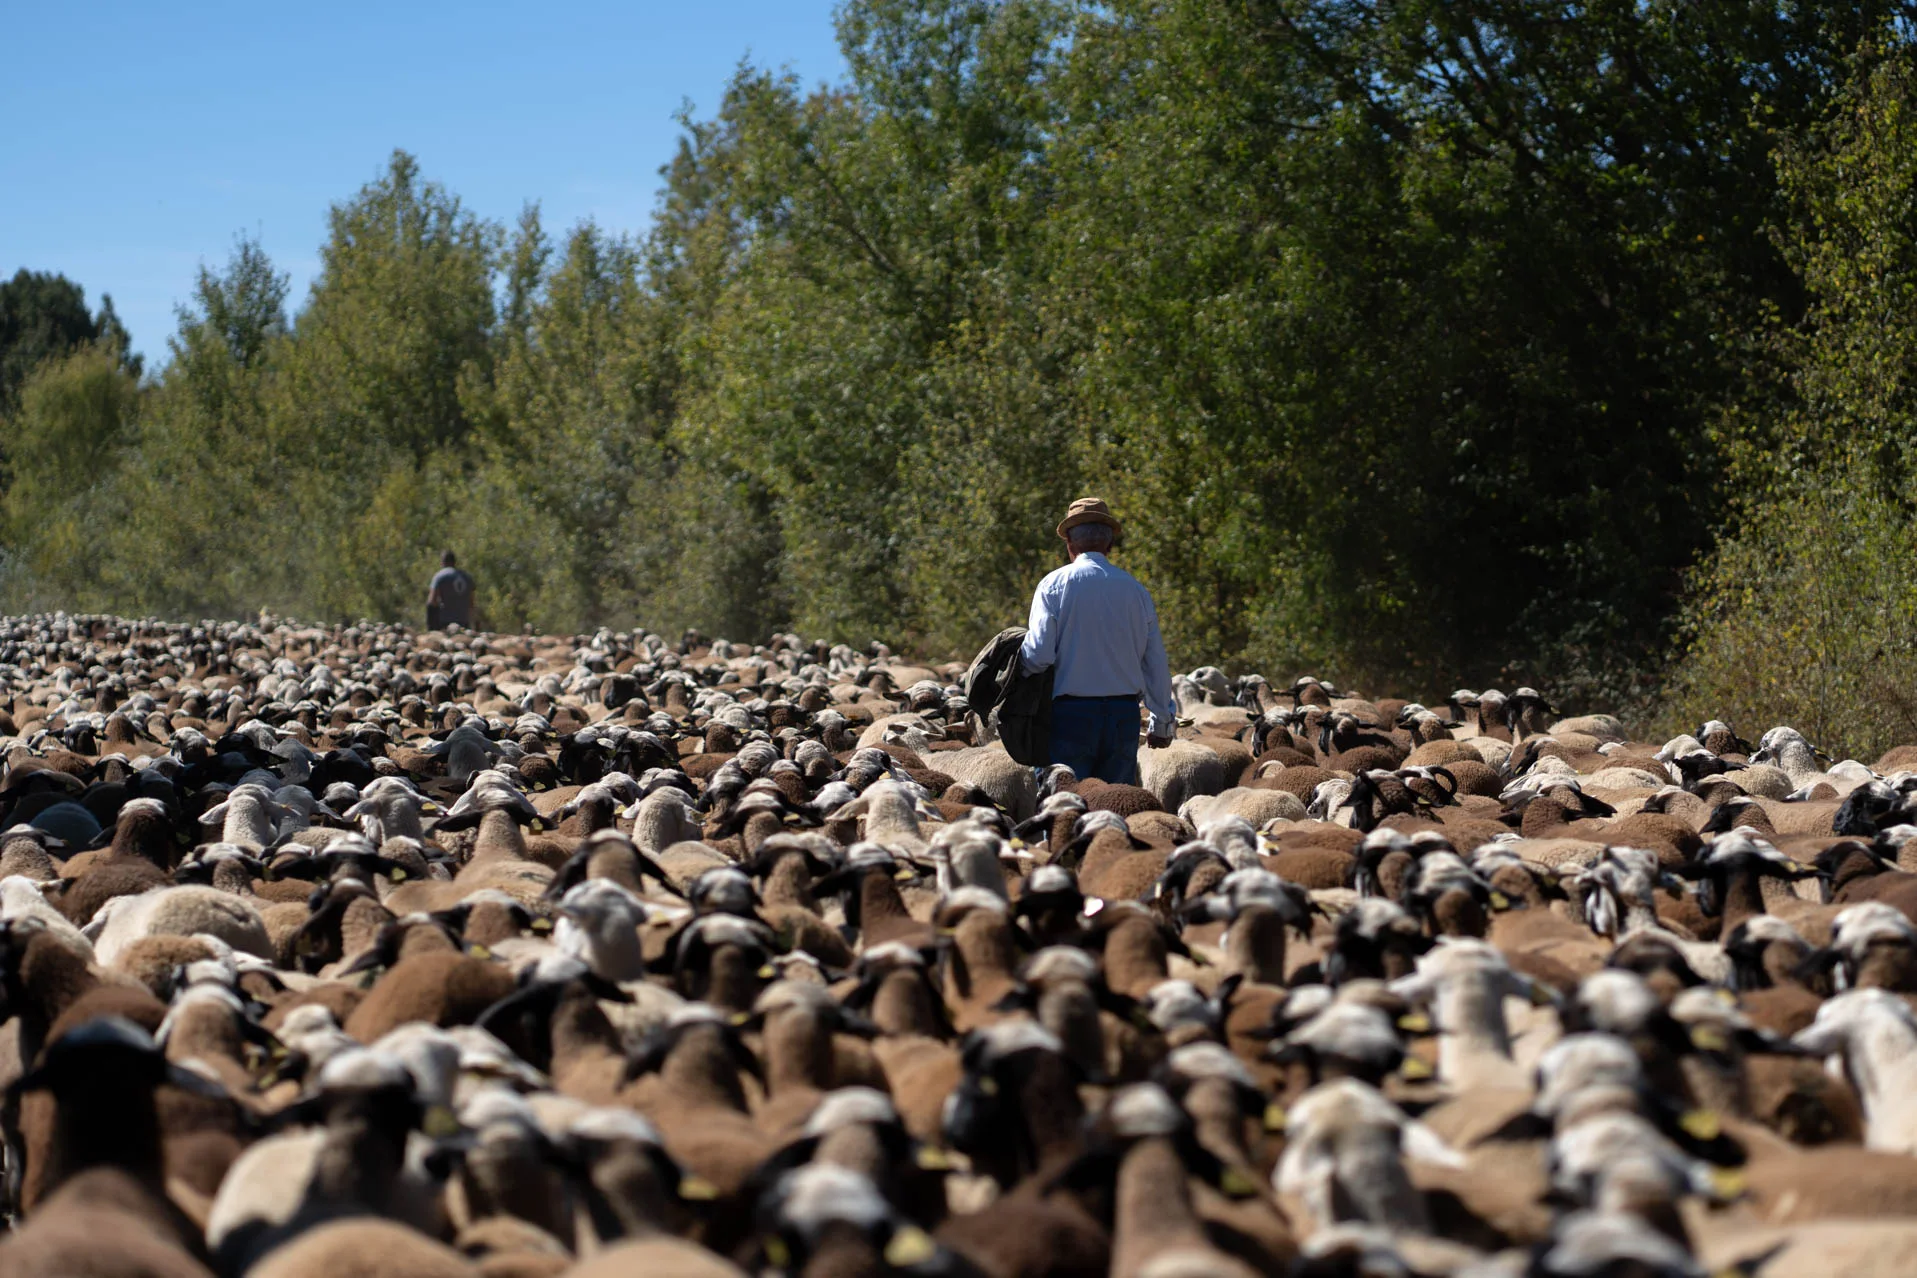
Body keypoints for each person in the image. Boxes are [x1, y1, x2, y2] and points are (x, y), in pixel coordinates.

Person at [1018, 498, 1177, 785]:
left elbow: (1038, 654)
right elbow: (1154, 661)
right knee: (1113, 808)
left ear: (1069, 541)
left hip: (1069, 716)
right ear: (1109, 544)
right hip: (1123, 716)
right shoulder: (1136, 591)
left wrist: (1017, 675)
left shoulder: (1053, 586)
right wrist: (1162, 720)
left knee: (1065, 810)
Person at [426, 550, 476, 631]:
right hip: (463, 622)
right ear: (454, 562)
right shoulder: (467, 577)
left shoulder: (439, 576)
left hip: (444, 622)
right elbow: (471, 603)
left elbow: (432, 601)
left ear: (443, 561)